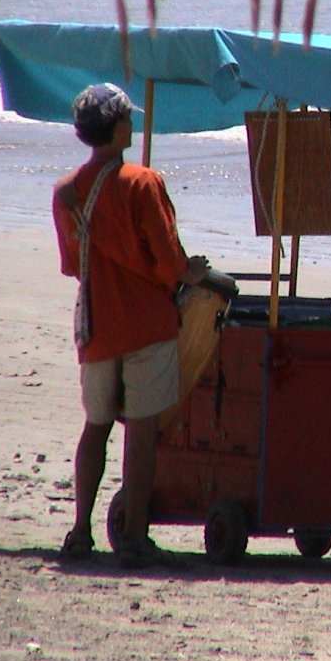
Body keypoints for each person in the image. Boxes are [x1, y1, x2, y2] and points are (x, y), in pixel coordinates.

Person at [53, 83, 209, 568]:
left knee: (95, 427)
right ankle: (135, 537)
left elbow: (73, 265)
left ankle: (81, 530)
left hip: (97, 325)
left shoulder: (66, 193)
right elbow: (168, 262)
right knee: (141, 433)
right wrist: (194, 272)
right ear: (119, 128)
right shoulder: (143, 183)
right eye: (128, 119)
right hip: (146, 324)